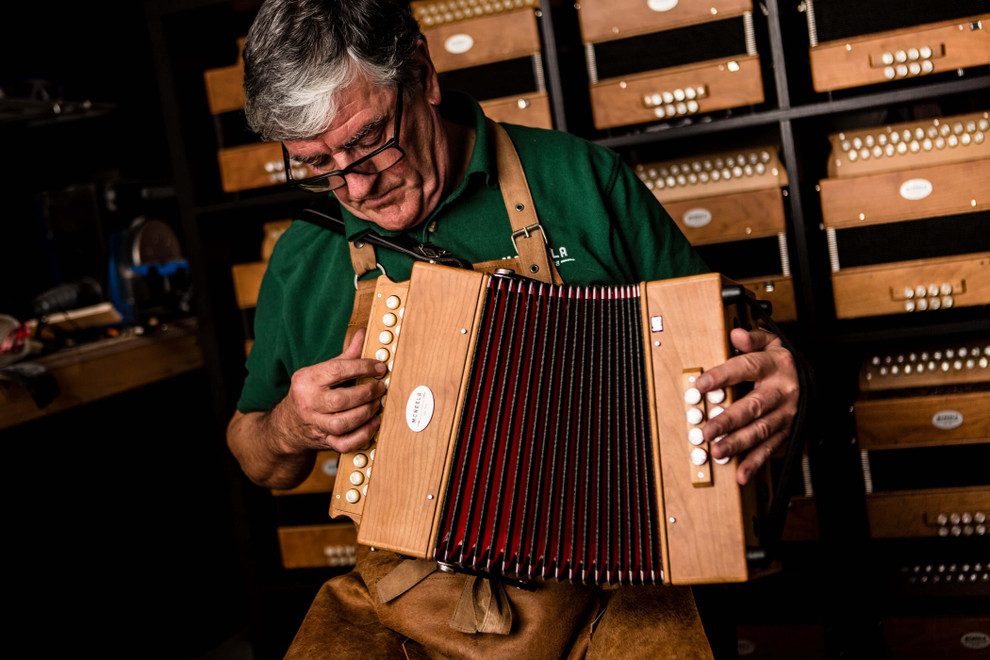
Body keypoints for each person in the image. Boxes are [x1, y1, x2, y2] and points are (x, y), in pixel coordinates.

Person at [227, 0, 800, 657]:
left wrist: (781, 376)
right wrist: (290, 426)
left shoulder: (579, 181)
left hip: (619, 579)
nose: (355, 187)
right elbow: (256, 455)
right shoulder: (304, 256)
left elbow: (733, 353)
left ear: (422, 72)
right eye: (318, 165)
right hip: (410, 592)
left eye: (367, 143)